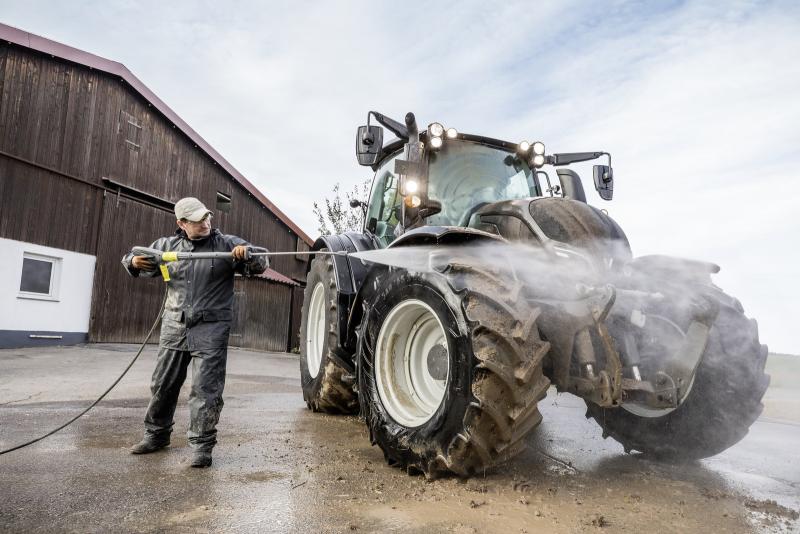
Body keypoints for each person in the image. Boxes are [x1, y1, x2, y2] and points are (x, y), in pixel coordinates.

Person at [121, 197, 267, 468]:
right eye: (198, 220)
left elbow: (261, 261)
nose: (206, 222)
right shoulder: (166, 247)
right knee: (163, 385)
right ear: (182, 223)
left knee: (205, 390)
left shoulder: (226, 244)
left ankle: (202, 448)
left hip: (211, 327)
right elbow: (132, 257)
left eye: (207, 217)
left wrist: (248, 256)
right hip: (174, 325)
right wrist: (133, 262)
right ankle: (156, 435)